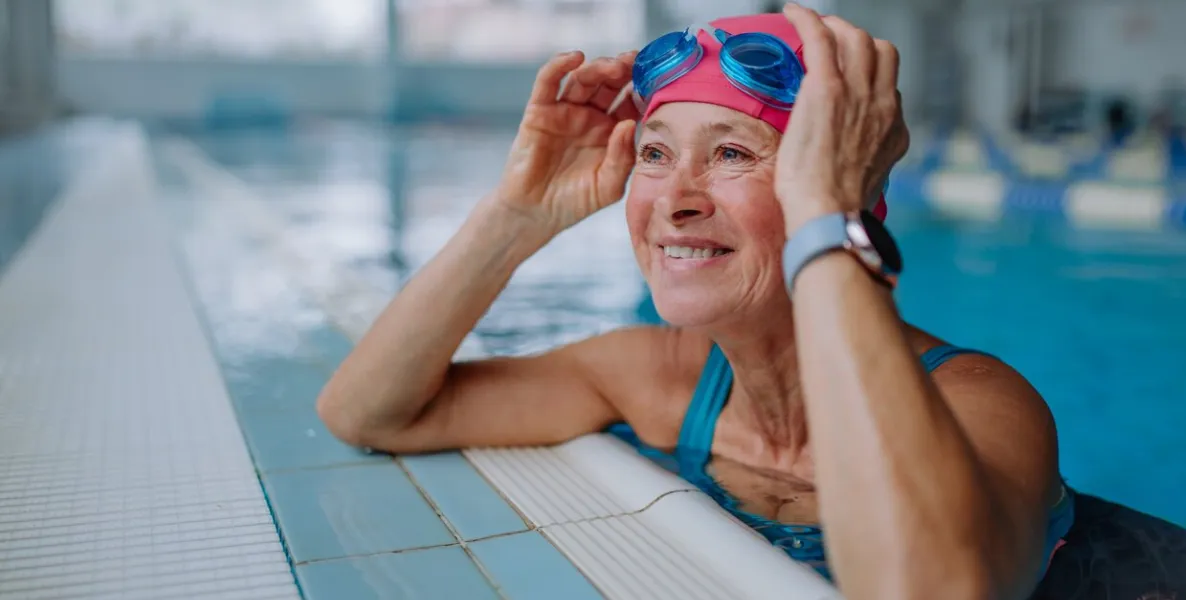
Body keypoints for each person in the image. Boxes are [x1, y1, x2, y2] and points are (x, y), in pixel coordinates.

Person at [317, 6, 1073, 598]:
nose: (674, 201)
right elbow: (370, 413)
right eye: (655, 153)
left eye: (733, 153)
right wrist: (519, 216)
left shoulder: (981, 405)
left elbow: (934, 588)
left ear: (846, 193)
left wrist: (824, 214)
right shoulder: (657, 377)